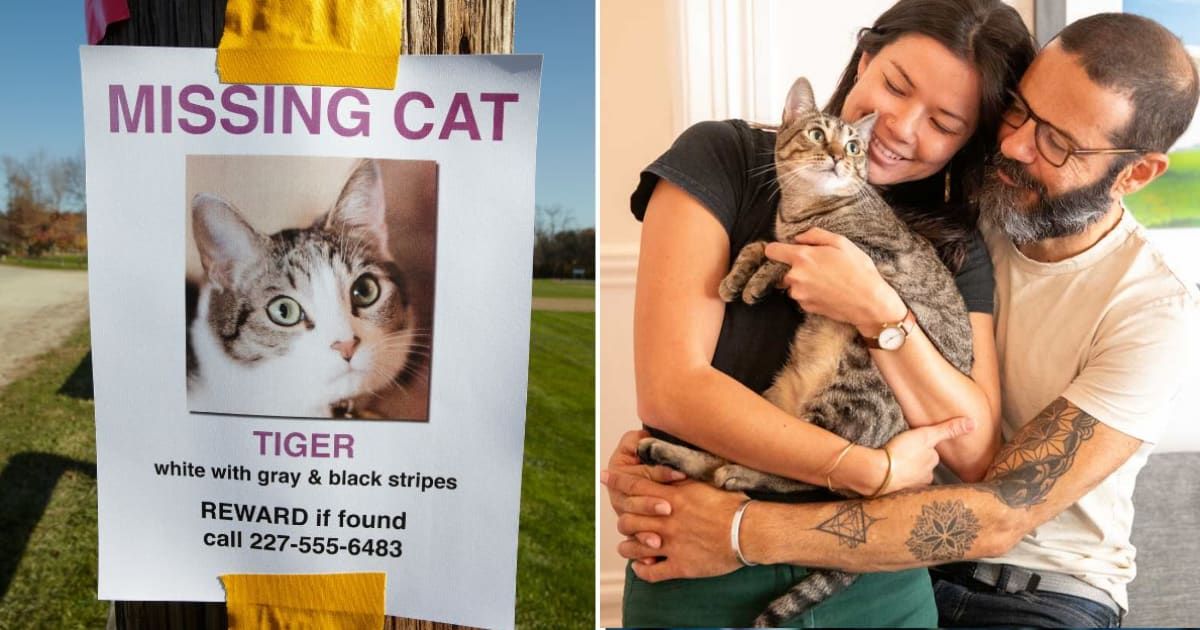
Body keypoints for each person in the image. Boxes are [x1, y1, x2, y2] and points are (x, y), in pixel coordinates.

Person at [606, 12, 1200, 629]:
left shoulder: (1143, 306)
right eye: (1018, 113)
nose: (1016, 146)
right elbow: (673, 385)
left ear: (1137, 173)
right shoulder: (981, 211)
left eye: (1057, 142)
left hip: (1029, 587)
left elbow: (992, 498)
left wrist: (742, 528)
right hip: (898, 555)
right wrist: (686, 450)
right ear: (865, 59)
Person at [616, 0, 1035, 626]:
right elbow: (671, 389)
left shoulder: (954, 243)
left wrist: (878, 310)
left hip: (877, 586)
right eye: (896, 85)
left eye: (944, 123)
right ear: (864, 59)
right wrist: (870, 471)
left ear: (966, 142)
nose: (899, 127)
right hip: (692, 556)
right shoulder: (722, 156)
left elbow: (972, 450)